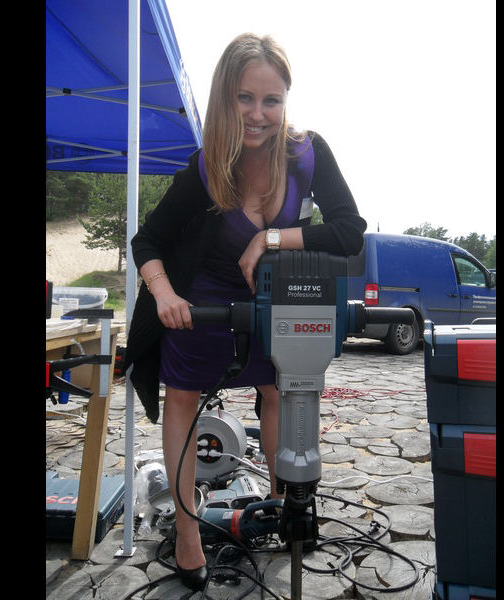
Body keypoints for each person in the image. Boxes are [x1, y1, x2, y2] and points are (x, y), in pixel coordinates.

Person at [121, 32, 367, 591]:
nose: (258, 115)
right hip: (203, 306)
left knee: (280, 391)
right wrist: (165, 295)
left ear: (286, 100)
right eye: (245, 98)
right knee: (183, 399)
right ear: (224, 98)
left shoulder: (307, 153)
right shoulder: (206, 167)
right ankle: (188, 535)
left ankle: (284, 507)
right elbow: (148, 240)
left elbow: (350, 230)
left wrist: (271, 238)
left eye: (271, 100)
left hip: (271, 301)